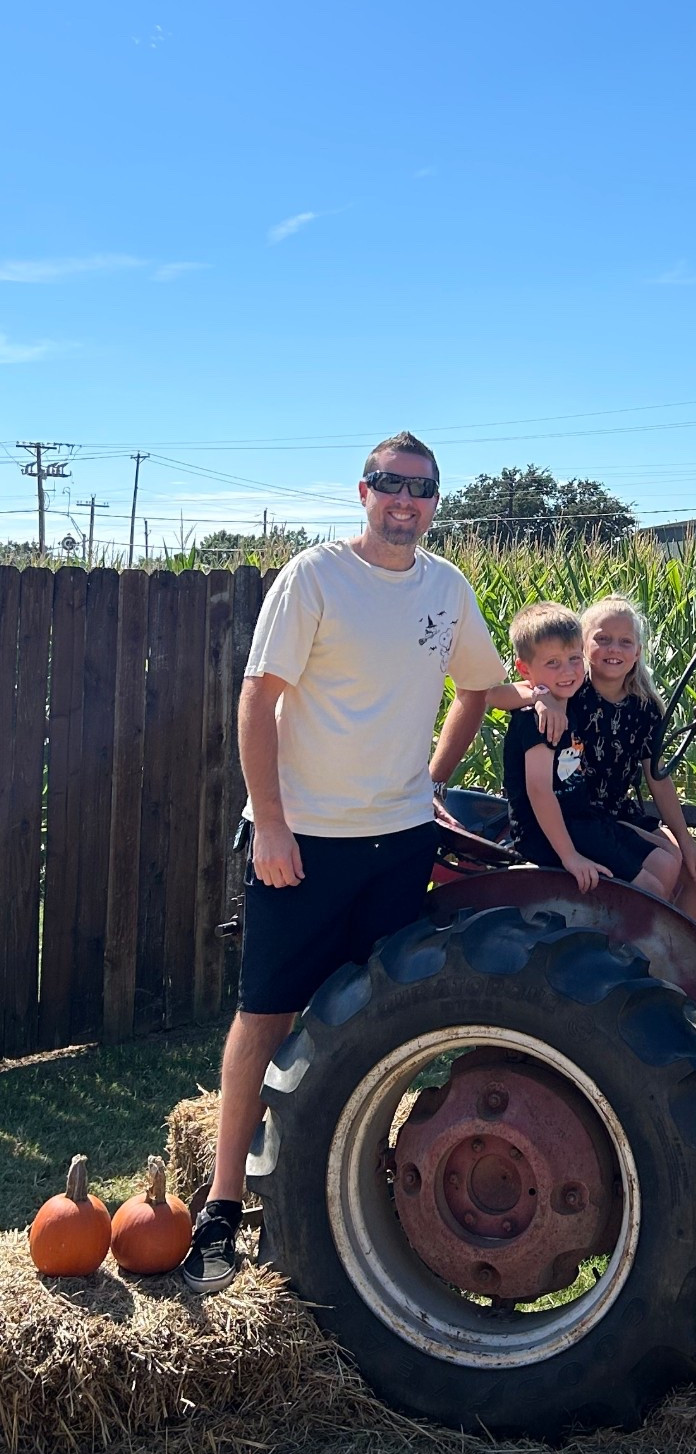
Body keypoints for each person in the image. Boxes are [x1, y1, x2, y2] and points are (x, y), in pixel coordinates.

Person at [180, 432, 506, 1293]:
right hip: (306, 841)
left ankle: (348, 1185)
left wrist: (434, 779)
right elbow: (259, 697)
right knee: (267, 1014)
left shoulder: (447, 587)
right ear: (362, 492)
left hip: (398, 842)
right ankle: (221, 1206)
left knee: (380, 1023)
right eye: (390, 485)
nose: (407, 502)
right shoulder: (315, 578)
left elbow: (480, 685)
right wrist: (275, 825)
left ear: (438, 502)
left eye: (423, 489)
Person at [527, 596, 696, 922]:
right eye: (602, 639)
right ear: (583, 646)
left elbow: (657, 779)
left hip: (621, 811)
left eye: (624, 642)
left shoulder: (645, 707)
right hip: (583, 814)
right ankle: (644, 949)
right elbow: (520, 688)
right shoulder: (570, 693)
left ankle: (680, 963)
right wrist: (541, 697)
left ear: (637, 653)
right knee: (667, 864)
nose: (613, 649)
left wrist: (688, 842)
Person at [491, 601, 681, 899]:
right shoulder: (538, 719)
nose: (567, 671)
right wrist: (570, 857)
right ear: (525, 669)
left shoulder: (570, 705)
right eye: (553, 663)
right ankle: (620, 944)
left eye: (574, 659)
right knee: (649, 892)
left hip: (582, 821)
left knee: (664, 873)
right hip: (551, 832)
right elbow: (540, 790)